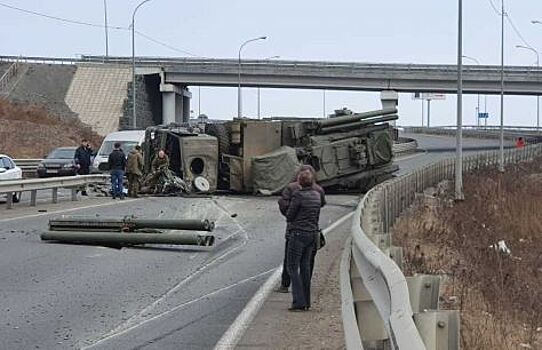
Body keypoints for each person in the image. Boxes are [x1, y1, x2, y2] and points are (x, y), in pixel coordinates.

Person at [276, 165, 325, 293]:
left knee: (290, 258)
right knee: (308, 260)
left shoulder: (291, 189)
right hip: (312, 228)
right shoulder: (318, 190)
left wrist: (290, 214)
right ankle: (305, 285)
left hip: (294, 228)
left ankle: (285, 285)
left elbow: (285, 207)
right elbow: (322, 204)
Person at [285, 170, 323, 312]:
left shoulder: (298, 196)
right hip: (312, 233)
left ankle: (298, 301)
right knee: (305, 266)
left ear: (299, 182)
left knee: (292, 267)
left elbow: (290, 215)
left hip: (298, 233)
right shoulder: (317, 195)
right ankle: (306, 300)